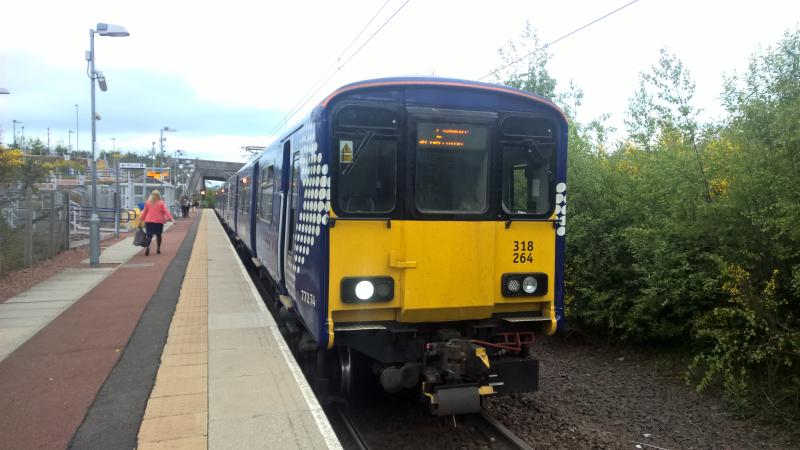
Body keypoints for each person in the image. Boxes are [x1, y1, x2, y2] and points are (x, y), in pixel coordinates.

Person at [140, 190, 174, 256]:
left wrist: (142, 218)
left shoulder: (148, 203)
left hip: (149, 221)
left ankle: (147, 247)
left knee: (149, 235)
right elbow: (165, 211)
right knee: (158, 235)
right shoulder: (161, 203)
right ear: (159, 195)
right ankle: (158, 248)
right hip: (158, 222)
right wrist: (171, 218)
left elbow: (145, 212)